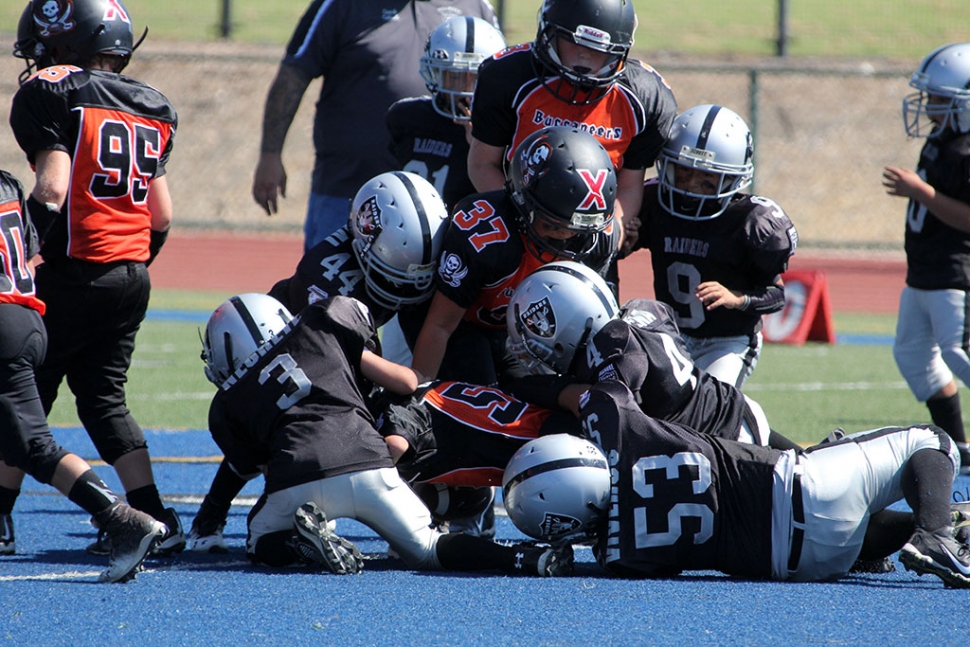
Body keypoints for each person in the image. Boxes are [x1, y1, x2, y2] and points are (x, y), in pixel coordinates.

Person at [200, 292, 572, 576]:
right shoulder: (320, 324)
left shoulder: (226, 405)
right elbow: (408, 381)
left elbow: (253, 464)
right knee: (428, 547)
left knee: (259, 538)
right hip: (369, 460)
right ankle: (527, 558)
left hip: (298, 475)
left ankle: (298, 546)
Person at [188, 170, 450, 552]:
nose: (407, 288)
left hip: (336, 348)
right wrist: (414, 384)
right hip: (303, 352)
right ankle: (221, 515)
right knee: (275, 432)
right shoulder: (328, 282)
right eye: (396, 278)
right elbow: (344, 362)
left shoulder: (390, 266)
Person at [5, 0, 185, 556]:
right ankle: (155, 514)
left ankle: (9, 515)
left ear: (68, 43)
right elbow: (163, 215)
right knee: (105, 398)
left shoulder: (52, 92)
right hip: (131, 273)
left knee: (21, 397)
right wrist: (129, 259)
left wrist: (20, 254)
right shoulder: (153, 104)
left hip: (75, 272)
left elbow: (54, 189)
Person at [506, 381, 970, 589]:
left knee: (854, 520)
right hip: (802, 486)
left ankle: (925, 529)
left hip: (795, 565)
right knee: (931, 441)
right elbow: (591, 389)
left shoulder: (619, 559)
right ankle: (936, 534)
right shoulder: (616, 427)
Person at [0, 167, 165, 583]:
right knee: (25, 436)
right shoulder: (7, 183)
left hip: (5, 322)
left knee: (35, 445)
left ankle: (121, 518)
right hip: (27, 314)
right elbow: (32, 241)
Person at [252, 0, 497, 250]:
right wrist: (270, 153)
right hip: (348, 189)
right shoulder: (341, 5)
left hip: (446, 202)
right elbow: (293, 76)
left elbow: (501, 81)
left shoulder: (476, 6)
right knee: (327, 281)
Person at [468, 0, 678, 279]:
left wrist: (612, 228)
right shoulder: (509, 76)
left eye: (597, 50)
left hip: (590, 237)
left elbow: (629, 185)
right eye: (574, 43)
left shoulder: (644, 98)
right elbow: (483, 164)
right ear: (549, 34)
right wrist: (521, 220)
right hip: (515, 223)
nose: (585, 58)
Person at [504, 260, 801, 451]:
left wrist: (564, 393)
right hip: (728, 412)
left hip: (721, 445)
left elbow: (616, 417)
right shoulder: (643, 309)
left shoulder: (613, 348)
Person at [410, 125, 619, 387]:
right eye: (553, 225)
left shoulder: (598, 237)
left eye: (577, 231)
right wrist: (418, 388)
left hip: (519, 330)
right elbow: (440, 326)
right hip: (461, 322)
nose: (565, 237)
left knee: (538, 400)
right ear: (523, 200)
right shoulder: (487, 236)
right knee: (480, 397)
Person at [628, 104, 798, 389]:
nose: (691, 185)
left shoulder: (750, 221)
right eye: (683, 172)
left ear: (733, 179)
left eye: (707, 180)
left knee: (709, 409)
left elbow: (777, 294)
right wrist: (625, 241)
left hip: (726, 341)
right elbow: (610, 253)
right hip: (670, 335)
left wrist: (737, 298)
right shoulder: (654, 200)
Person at [883, 42, 970, 474]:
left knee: (961, 353)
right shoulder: (943, 138)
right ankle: (958, 447)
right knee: (914, 355)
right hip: (924, 269)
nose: (930, 105)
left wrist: (921, 193)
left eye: (940, 98)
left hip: (958, 269)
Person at [374, 379, 584, 525]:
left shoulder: (393, 412)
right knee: (471, 499)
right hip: (533, 421)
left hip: (534, 444)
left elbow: (395, 446)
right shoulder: (403, 395)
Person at [387, 16, 507, 212]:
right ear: (435, 72)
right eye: (455, 77)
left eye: (476, 79)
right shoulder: (406, 116)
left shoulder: (504, 129)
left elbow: (509, 198)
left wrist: (482, 144)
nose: (465, 90)